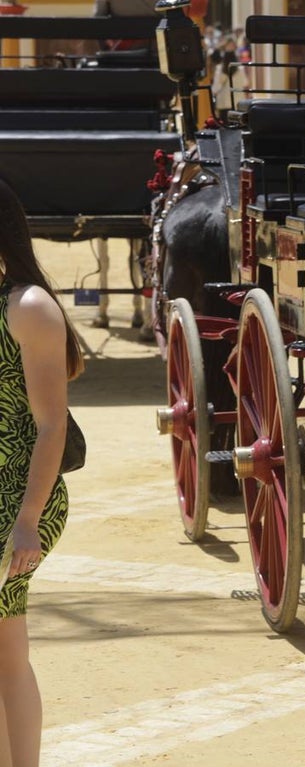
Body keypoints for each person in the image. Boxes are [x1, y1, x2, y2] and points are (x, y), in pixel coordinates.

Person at [0, 177, 82, 766]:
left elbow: (52, 425)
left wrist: (27, 520)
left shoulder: (28, 307)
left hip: (17, 498)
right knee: (7, 654)